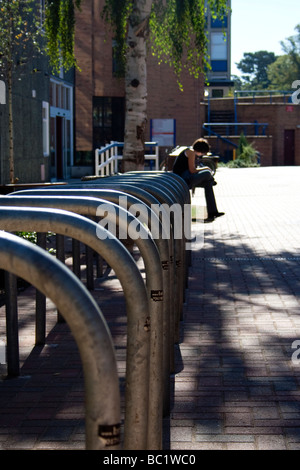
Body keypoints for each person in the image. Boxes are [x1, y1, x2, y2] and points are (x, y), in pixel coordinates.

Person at [172, 138, 225, 223]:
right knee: (207, 173)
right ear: (201, 150)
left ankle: (213, 212)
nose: (202, 155)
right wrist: (206, 168)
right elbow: (192, 170)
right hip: (184, 180)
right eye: (203, 152)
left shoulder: (191, 152)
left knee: (208, 184)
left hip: (187, 178)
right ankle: (211, 180)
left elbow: (192, 170)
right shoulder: (191, 152)